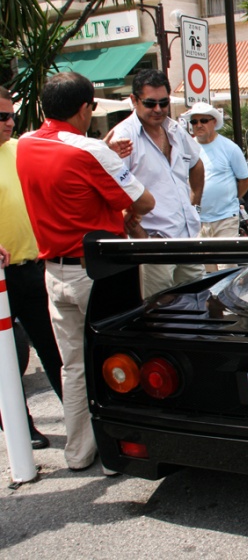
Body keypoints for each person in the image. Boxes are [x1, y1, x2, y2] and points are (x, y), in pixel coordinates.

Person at [16, 71, 155, 472]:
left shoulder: (25, 145)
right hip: (98, 272)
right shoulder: (90, 151)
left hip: (54, 272)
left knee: (73, 366)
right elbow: (143, 202)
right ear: (83, 108)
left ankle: (78, 452)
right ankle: (114, 455)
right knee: (115, 361)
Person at [0, 86, 64, 449]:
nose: (9, 122)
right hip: (1, 278)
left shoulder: (20, 149)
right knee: (6, 357)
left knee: (53, 350)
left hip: (33, 267)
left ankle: (81, 422)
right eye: (1, 117)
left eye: (11, 115)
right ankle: (19, 428)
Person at [110, 68, 204, 298]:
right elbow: (112, 191)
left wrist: (194, 203)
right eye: (150, 103)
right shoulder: (123, 137)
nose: (158, 109)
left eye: (164, 103)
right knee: (160, 310)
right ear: (134, 100)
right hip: (154, 243)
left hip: (188, 237)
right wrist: (139, 234)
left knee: (197, 303)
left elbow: (196, 164)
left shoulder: (174, 129)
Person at [183, 102, 248, 271]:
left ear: (214, 122)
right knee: (206, 273)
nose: (199, 125)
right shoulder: (187, 148)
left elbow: (245, 180)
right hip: (198, 221)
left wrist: (230, 199)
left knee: (227, 270)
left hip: (225, 218)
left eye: (204, 120)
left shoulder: (230, 148)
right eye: (194, 121)